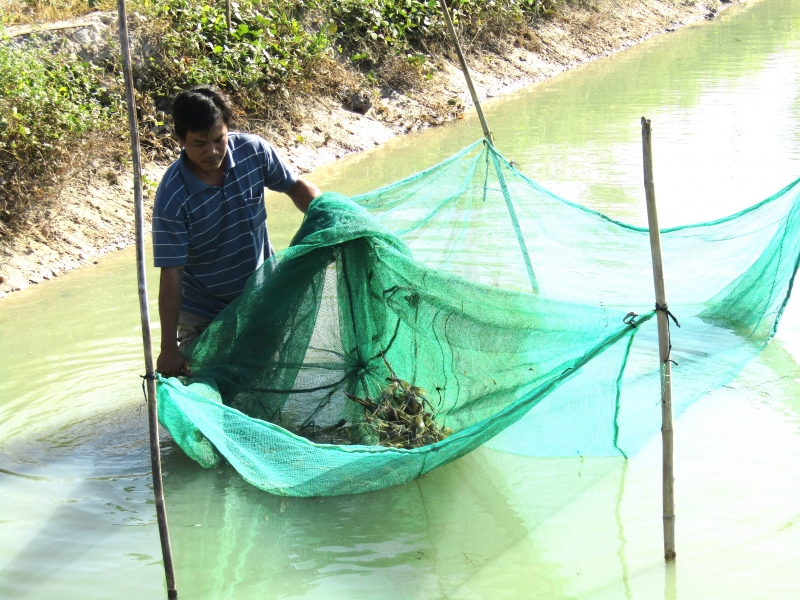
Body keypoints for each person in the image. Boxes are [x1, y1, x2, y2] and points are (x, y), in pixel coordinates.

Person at [152, 86, 321, 378]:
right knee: (213, 387)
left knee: (264, 377)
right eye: (199, 144)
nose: (212, 151)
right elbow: (171, 274)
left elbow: (295, 188)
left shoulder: (252, 152)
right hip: (203, 314)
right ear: (180, 140)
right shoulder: (172, 197)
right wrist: (168, 347)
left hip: (260, 295)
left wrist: (328, 213)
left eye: (219, 139)